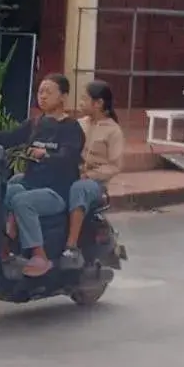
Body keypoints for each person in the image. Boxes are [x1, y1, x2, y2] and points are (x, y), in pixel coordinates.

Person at [0, 74, 84, 277]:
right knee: (1, 193)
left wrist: (46, 154)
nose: (42, 96)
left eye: (48, 92)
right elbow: (8, 137)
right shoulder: (36, 123)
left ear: (63, 97)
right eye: (40, 92)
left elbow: (69, 155)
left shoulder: (71, 128)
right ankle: (3, 245)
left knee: (23, 201)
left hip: (57, 191)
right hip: (31, 184)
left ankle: (40, 256)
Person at [59, 80, 125, 268]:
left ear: (98, 103)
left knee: (79, 188)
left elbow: (115, 166)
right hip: (73, 175)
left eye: (84, 99)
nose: (80, 103)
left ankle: (71, 246)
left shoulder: (113, 131)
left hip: (95, 184)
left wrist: (90, 175)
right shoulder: (79, 124)